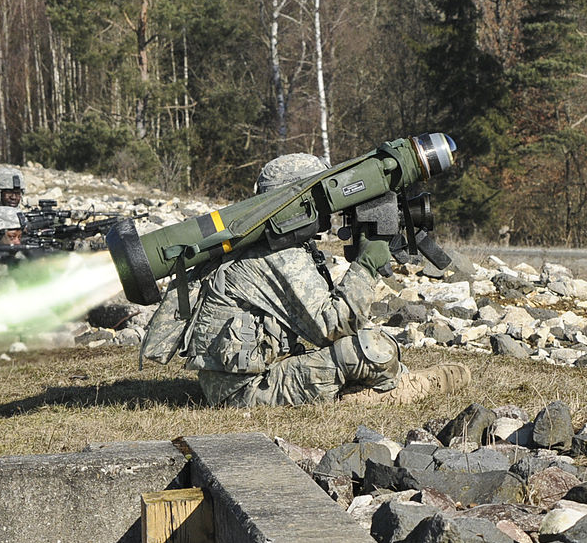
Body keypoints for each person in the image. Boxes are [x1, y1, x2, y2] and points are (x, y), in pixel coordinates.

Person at [145, 152, 469, 407]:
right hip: (246, 392)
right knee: (373, 349)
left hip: (246, 376)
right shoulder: (275, 255)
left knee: (366, 341)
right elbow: (332, 325)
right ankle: (396, 390)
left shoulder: (268, 244)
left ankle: (393, 381)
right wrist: (368, 264)